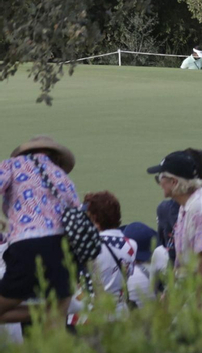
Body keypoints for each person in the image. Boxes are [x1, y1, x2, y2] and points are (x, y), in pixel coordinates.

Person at [0, 137, 80, 329]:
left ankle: (40, 312)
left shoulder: (12, 165)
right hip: (63, 250)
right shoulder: (63, 177)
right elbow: (78, 215)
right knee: (56, 321)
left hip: (27, 245)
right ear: (57, 158)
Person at [149, 148, 202, 278]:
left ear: (174, 182)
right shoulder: (186, 206)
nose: (159, 183)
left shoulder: (200, 212)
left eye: (161, 178)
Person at [81, 192, 153, 311]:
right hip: (121, 309)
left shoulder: (88, 245)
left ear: (95, 219)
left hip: (94, 311)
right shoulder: (131, 244)